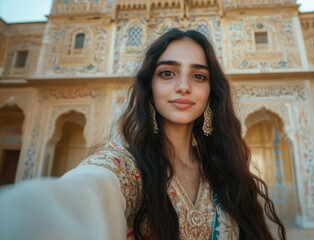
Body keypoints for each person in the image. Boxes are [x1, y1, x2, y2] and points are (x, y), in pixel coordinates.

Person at [0, 29, 286, 240]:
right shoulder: (125, 167)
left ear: (211, 91)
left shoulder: (224, 170)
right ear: (150, 87)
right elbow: (86, 192)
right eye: (167, 73)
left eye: (198, 76)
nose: (183, 86)